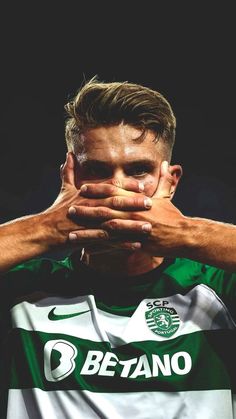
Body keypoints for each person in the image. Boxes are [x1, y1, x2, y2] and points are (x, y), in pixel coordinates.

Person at [0, 77, 236, 419]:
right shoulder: (24, 291)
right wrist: (47, 226)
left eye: (139, 170)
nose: (117, 189)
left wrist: (186, 232)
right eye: (96, 170)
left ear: (171, 182)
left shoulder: (217, 288)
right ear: (70, 178)